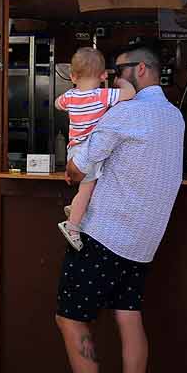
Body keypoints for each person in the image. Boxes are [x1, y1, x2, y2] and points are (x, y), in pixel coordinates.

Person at [49, 46, 183, 373]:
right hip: (144, 240)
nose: (110, 76)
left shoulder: (125, 114)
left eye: (118, 70)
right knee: (129, 316)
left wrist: (75, 170)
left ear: (140, 69)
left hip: (105, 233)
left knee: (71, 316)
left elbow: (78, 166)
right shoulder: (174, 117)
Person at [55, 47, 136, 250]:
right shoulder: (102, 95)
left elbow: (57, 104)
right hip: (89, 151)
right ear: (102, 75)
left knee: (88, 187)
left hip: (73, 149)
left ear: (72, 76)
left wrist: (69, 98)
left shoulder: (70, 97)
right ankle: (72, 226)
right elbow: (131, 93)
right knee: (87, 189)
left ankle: (75, 208)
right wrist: (121, 82)